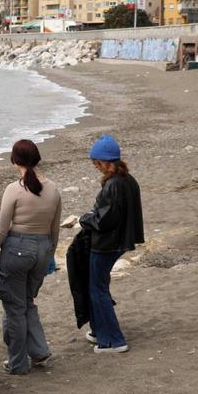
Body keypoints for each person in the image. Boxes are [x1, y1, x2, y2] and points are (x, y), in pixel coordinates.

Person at [0, 139, 61, 374]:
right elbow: (55, 228)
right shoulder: (53, 189)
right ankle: (39, 351)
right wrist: (50, 254)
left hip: (17, 249)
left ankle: (18, 362)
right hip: (42, 248)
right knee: (27, 302)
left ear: (14, 160)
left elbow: (1, 228)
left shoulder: (14, 189)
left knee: (14, 307)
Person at [79, 135, 144, 354]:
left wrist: (83, 218)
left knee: (97, 289)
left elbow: (104, 220)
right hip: (120, 241)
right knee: (98, 286)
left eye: (97, 163)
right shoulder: (128, 180)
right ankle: (99, 330)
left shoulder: (114, 184)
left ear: (107, 161)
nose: (96, 167)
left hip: (107, 243)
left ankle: (113, 340)